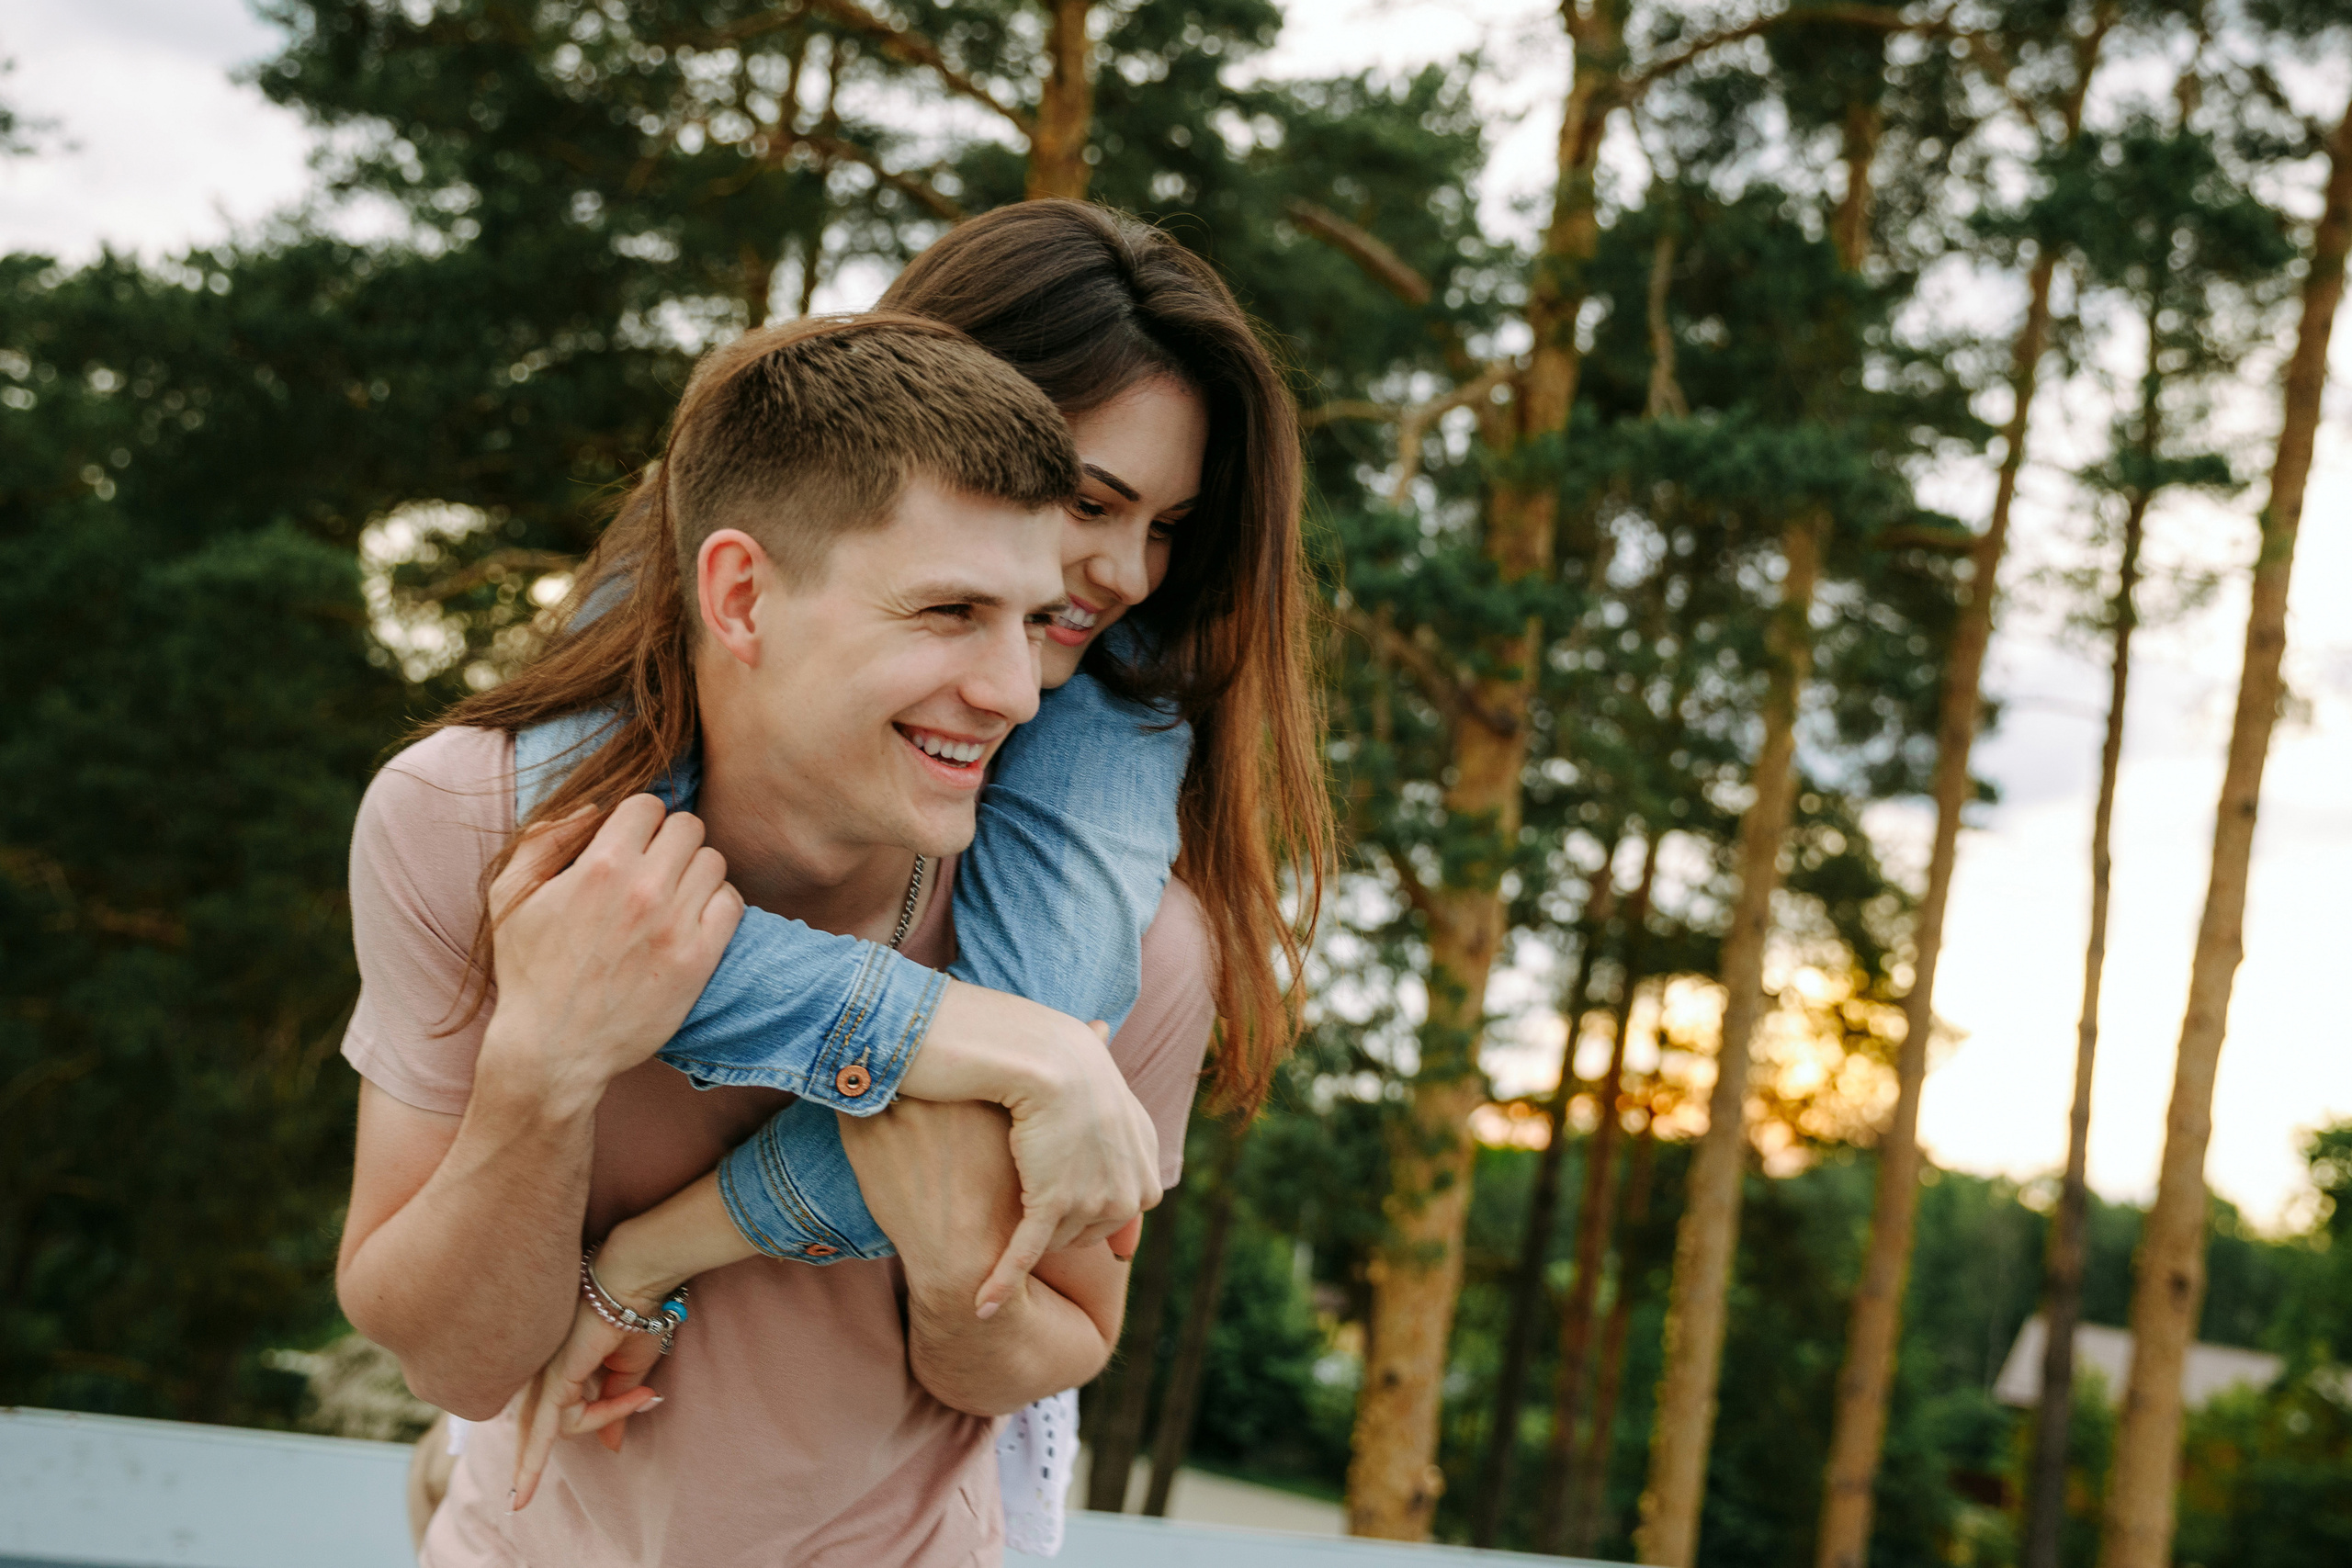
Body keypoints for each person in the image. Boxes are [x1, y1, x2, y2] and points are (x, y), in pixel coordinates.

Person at [345, 208, 1329, 1565]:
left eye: (1168, 527)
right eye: (1089, 502)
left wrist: (927, 1234)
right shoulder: (490, 804)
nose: (1116, 576)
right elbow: (580, 877)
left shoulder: (1119, 880)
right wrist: (543, 1067)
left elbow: (1050, 1312)